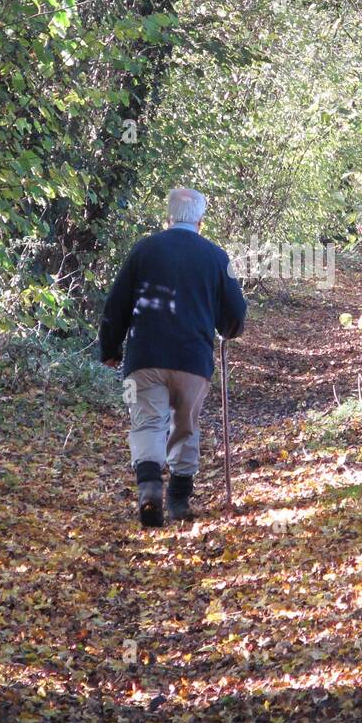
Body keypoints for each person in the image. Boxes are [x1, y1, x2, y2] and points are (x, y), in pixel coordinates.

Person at [100, 187, 247, 526]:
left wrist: (110, 348)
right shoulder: (215, 256)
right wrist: (229, 329)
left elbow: (116, 304)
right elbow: (235, 312)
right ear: (200, 220)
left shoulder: (145, 249)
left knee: (147, 423)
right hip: (192, 360)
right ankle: (179, 500)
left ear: (168, 217)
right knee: (185, 425)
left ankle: (149, 488)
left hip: (144, 358)